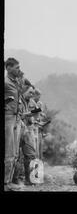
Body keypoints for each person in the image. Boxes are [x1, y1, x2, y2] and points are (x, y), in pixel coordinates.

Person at [4, 58, 22, 191]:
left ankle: (10, 181)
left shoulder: (16, 82)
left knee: (15, 153)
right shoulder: (5, 82)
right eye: (16, 67)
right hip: (8, 117)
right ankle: (6, 183)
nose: (18, 69)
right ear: (8, 68)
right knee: (9, 152)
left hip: (16, 118)